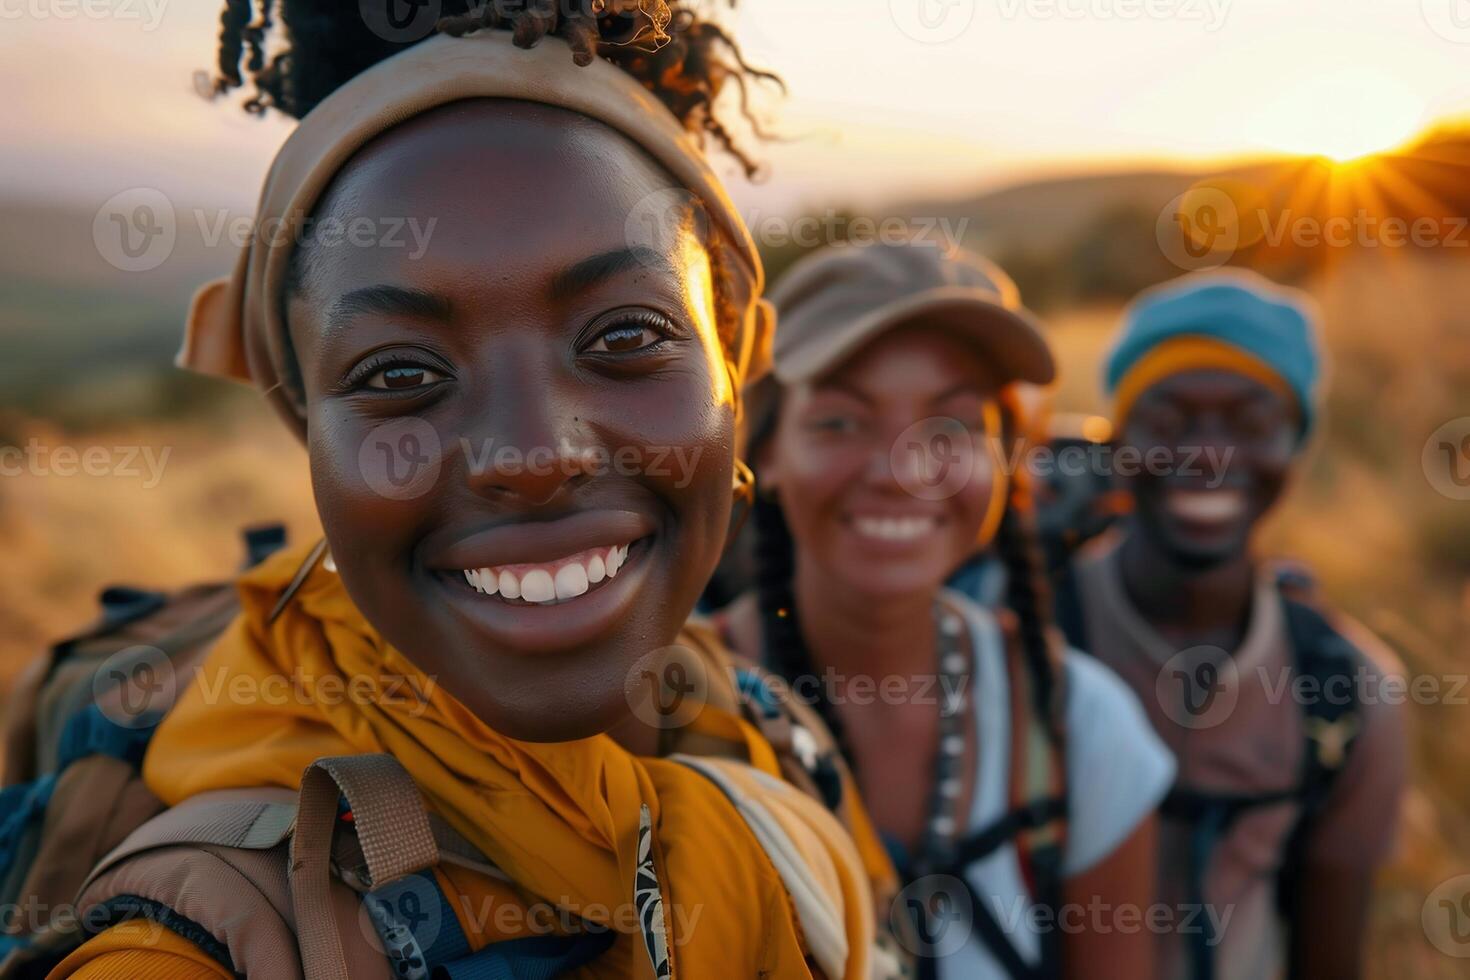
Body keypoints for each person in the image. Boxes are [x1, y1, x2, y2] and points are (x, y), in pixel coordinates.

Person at [44, 4, 901, 978]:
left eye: (624, 335)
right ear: (308, 428)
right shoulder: (192, 951)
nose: (532, 455)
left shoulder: (756, 725)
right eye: (398, 373)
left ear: (734, 358)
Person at [716, 241, 1176, 979]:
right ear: (765, 452)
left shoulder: (1079, 729)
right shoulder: (670, 715)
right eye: (840, 421)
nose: (901, 470)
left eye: (952, 426)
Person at [1058, 270, 1408, 979]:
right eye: (1168, 420)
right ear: (1117, 439)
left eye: (1252, 424)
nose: (1211, 453)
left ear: (1295, 447)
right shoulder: (1020, 635)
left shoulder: (1348, 690)